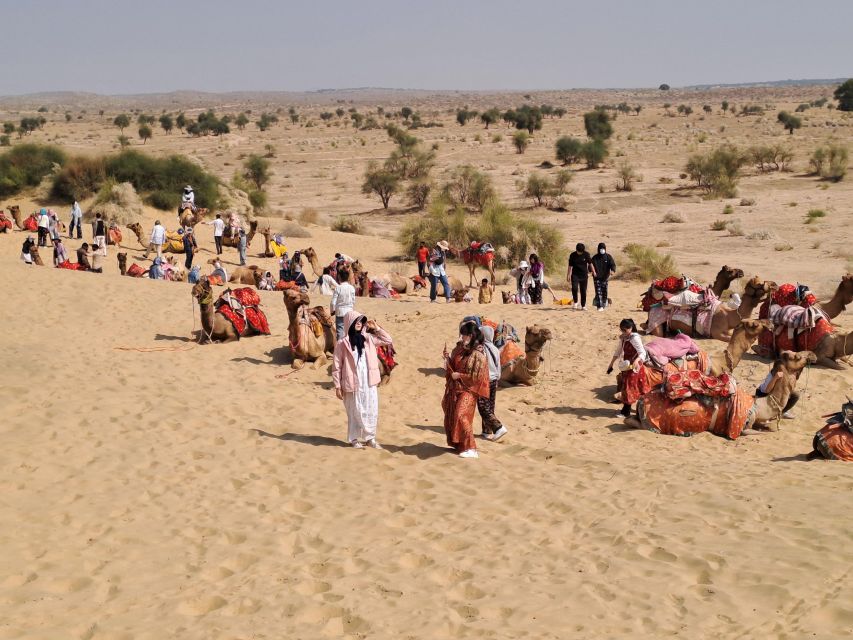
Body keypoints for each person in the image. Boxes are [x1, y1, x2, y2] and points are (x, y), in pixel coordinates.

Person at [332, 312, 393, 449]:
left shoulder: (369, 339)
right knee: (354, 411)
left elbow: (388, 340)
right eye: (356, 321)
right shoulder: (342, 343)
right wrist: (337, 386)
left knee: (371, 410)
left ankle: (370, 438)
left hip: (369, 381)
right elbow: (336, 366)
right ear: (350, 323)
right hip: (351, 382)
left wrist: (376, 328)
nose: (359, 324)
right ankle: (354, 439)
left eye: (361, 321)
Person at [443, 320, 490, 458]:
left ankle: (472, 448)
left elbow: (477, 375)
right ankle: (461, 446)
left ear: (470, 335)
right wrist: (448, 360)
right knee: (453, 415)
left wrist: (460, 375)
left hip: (470, 390)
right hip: (455, 389)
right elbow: (453, 366)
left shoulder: (479, 353)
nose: (461, 337)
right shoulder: (459, 349)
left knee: (461, 415)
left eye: (464, 335)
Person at [606, 318, 650, 418]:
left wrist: (636, 360)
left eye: (625, 330)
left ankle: (626, 412)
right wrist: (611, 364)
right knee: (630, 388)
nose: (623, 332)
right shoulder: (624, 338)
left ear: (630, 328)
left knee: (630, 388)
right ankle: (631, 411)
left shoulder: (635, 338)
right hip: (627, 366)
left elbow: (642, 352)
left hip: (635, 367)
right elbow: (618, 351)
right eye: (621, 330)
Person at [478, 326, 508, 441]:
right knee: (490, 405)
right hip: (494, 380)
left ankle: (498, 427)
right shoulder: (495, 348)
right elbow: (498, 366)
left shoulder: (482, 348)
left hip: (485, 380)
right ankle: (486, 431)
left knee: (483, 407)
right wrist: (497, 379)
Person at [330, 268, 356, 339]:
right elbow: (353, 301)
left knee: (340, 332)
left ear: (339, 277)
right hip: (349, 312)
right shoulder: (352, 288)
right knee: (349, 331)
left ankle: (341, 348)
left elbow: (333, 302)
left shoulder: (338, 288)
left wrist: (332, 311)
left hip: (340, 312)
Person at [567, 242, 593, 310]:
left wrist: (594, 272)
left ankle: (583, 305)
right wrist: (568, 275)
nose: (580, 253)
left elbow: (590, 263)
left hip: (584, 275)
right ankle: (575, 302)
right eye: (579, 252)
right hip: (575, 275)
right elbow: (570, 266)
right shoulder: (572, 255)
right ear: (576, 250)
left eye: (581, 252)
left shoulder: (586, 254)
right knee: (574, 288)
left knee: (583, 291)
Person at [591, 242, 616, 311]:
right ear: (598, 249)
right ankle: (600, 306)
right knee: (598, 292)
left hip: (605, 277)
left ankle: (604, 303)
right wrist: (592, 271)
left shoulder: (608, 257)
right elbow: (590, 265)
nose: (602, 250)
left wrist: (613, 271)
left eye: (603, 248)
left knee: (604, 292)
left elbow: (613, 264)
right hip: (597, 278)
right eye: (600, 248)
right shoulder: (595, 258)